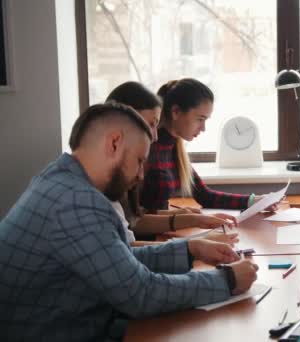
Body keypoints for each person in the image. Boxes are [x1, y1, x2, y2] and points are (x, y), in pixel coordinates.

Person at [0, 102, 259, 341]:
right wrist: (228, 281)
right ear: (114, 143)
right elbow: (140, 293)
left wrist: (191, 249)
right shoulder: (76, 201)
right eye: (139, 161)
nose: (140, 175)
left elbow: (119, 262)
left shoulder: (60, 178)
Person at [105, 81, 238, 244]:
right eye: (150, 124)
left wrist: (196, 219)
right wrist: (192, 242)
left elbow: (135, 220)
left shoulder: (165, 149)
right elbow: (132, 241)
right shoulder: (104, 179)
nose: (154, 136)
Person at [141, 78, 279, 212]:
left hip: (165, 231)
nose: (203, 128)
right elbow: (140, 215)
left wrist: (254, 201)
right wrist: (180, 216)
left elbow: (204, 196)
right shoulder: (146, 149)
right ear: (176, 112)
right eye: (200, 119)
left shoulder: (174, 149)